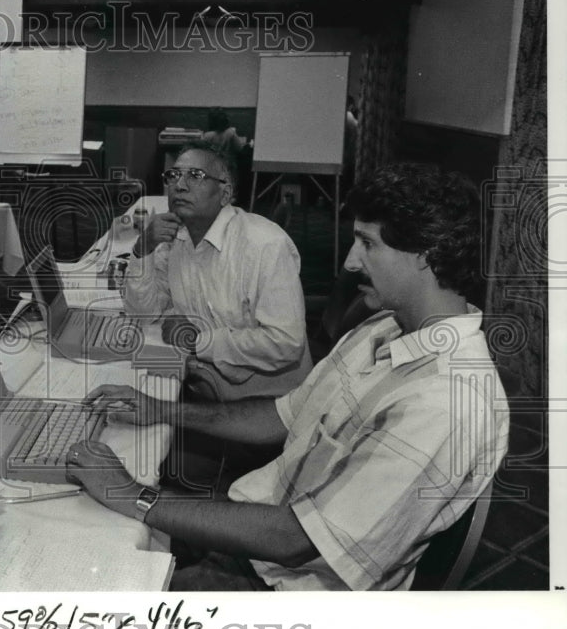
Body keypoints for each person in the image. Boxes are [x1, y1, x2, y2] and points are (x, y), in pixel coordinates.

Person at [67, 162, 509, 590]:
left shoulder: (444, 399)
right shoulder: (384, 328)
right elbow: (281, 417)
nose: (350, 262)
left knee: (96, 593)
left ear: (426, 255)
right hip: (264, 525)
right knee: (94, 540)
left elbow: (295, 541)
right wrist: (160, 409)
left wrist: (133, 496)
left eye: (368, 244)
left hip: (288, 588)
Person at [125, 140, 311, 403]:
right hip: (204, 381)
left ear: (225, 194)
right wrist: (143, 249)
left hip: (268, 398)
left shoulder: (264, 244)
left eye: (196, 176)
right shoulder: (176, 238)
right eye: (174, 175)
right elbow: (145, 314)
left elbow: (286, 343)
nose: (179, 185)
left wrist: (198, 340)